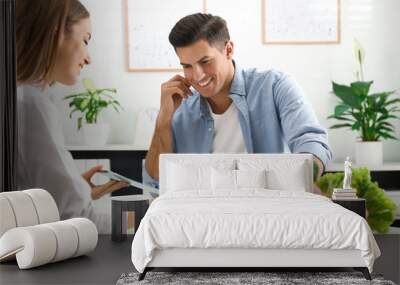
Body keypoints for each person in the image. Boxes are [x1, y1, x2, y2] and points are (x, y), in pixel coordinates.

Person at [144, 13, 332, 188]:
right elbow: (157, 177)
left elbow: (311, 143)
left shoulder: (275, 86)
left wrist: (303, 178)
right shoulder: (180, 108)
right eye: (187, 66)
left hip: (269, 211)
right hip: (203, 216)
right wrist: (163, 120)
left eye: (205, 61)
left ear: (228, 50)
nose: (197, 76)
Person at [16, 0, 128, 232]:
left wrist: (80, 190)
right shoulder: (29, 104)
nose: (88, 58)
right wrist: (149, 217)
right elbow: (79, 221)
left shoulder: (20, 97)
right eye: (85, 40)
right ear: (55, 33)